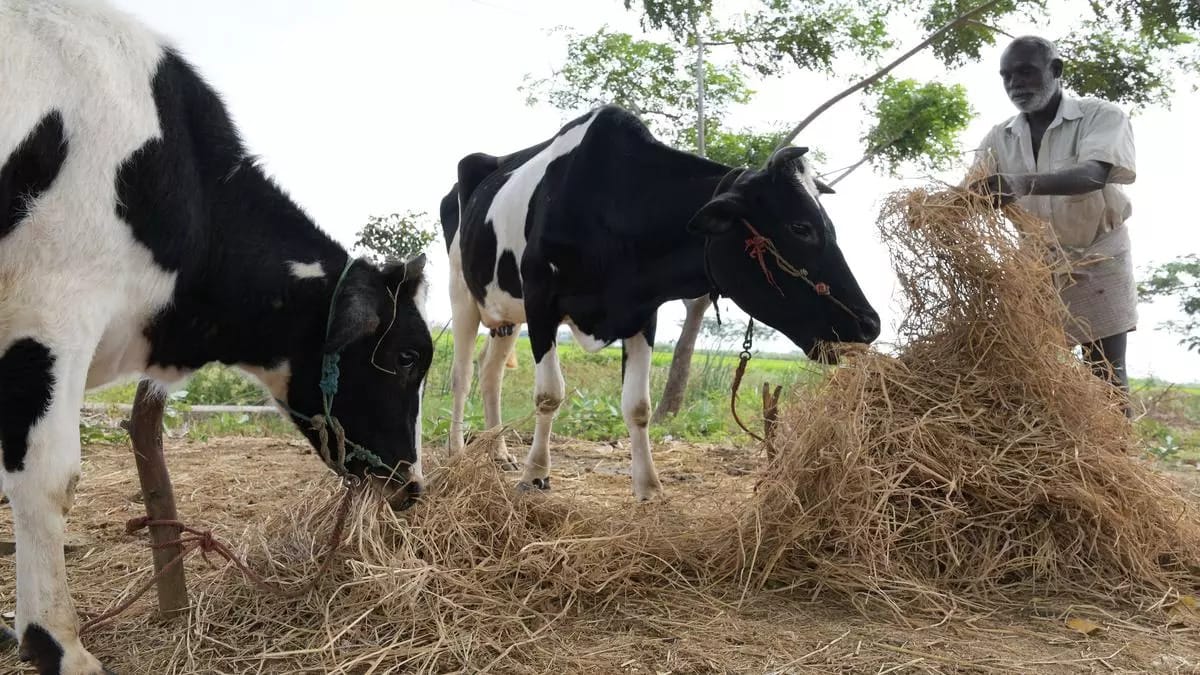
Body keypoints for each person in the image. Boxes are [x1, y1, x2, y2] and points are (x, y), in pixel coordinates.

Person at [967, 35, 1138, 415]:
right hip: (1035, 265)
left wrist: (1021, 183)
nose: (1015, 84)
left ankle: (1115, 466)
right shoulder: (999, 136)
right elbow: (973, 192)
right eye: (1007, 76)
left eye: (1026, 72)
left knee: (1104, 373)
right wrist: (944, 206)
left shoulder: (1101, 116)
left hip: (1098, 255)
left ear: (1056, 71)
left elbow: (1094, 175)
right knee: (1024, 369)